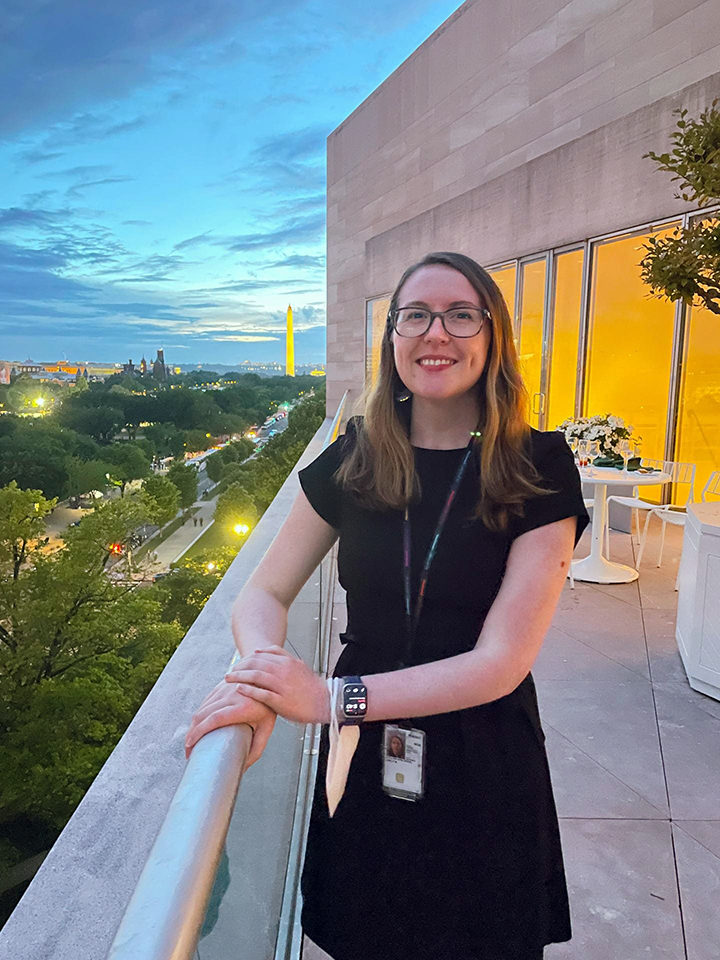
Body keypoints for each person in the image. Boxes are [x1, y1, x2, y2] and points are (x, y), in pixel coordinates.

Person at [185, 252, 590, 960]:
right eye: (416, 316)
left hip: (479, 752)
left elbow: (501, 662)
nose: (436, 333)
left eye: (461, 314)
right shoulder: (357, 456)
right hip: (365, 755)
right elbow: (263, 592)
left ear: (493, 337)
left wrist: (330, 698)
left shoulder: (537, 465)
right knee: (367, 932)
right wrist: (262, 673)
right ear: (393, 338)